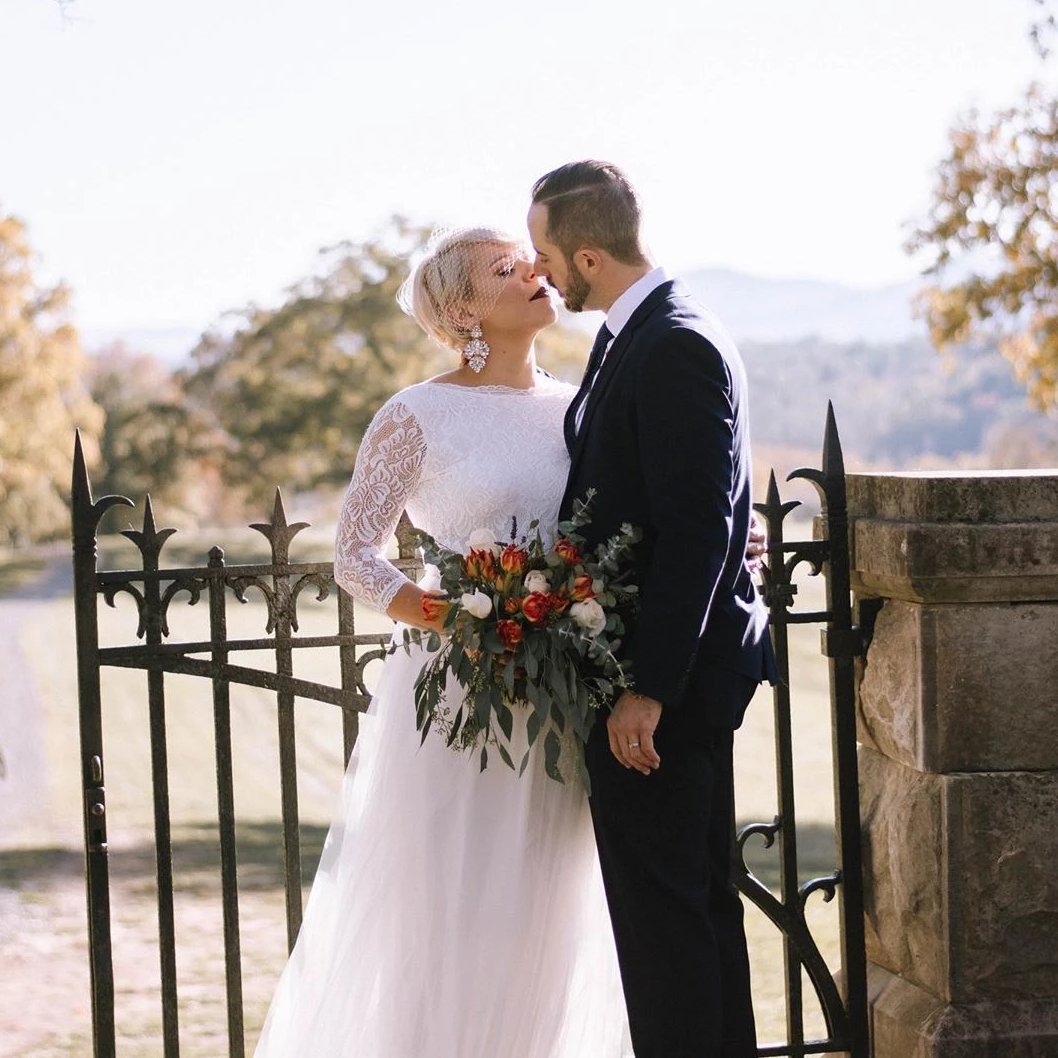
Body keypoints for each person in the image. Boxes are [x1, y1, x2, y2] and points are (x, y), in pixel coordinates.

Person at [253, 226, 631, 1058]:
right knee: (462, 905)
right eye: (507, 268)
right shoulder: (416, 414)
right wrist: (456, 617)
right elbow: (355, 553)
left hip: (567, 685)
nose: (535, 270)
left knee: (553, 901)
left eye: (531, 261)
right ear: (463, 311)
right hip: (463, 691)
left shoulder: (580, 405)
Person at [528, 160, 777, 1058]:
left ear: (588, 256)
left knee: (668, 927)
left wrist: (647, 690)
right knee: (687, 915)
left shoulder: (673, 342)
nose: (540, 274)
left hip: (661, 692)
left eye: (545, 254)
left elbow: (697, 529)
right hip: (649, 676)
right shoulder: (636, 333)